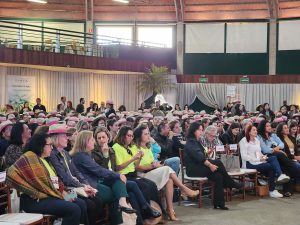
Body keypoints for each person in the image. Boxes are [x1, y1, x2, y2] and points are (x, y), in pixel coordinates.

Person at [73, 130, 160, 225]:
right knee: (120, 192)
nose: (96, 141)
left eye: (103, 137)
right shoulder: (83, 156)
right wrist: (117, 173)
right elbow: (100, 170)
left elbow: (107, 169)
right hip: (93, 184)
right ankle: (131, 213)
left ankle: (141, 215)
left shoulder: (95, 152)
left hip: (103, 179)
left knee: (132, 186)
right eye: (93, 139)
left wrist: (116, 174)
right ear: (85, 142)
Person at [6, 133, 81, 225]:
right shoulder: (30, 156)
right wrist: (63, 195)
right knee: (74, 209)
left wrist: (64, 193)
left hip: (48, 195)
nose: (52, 148)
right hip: (34, 200)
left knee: (79, 202)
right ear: (40, 145)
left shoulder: (44, 159)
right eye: (49, 145)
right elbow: (11, 172)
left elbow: (53, 182)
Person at [132, 124, 199, 221]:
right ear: (139, 136)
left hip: (152, 172)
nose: (149, 136)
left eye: (149, 133)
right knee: (167, 169)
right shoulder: (135, 148)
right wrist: (153, 165)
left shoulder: (148, 147)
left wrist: (156, 164)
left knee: (169, 180)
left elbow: (153, 159)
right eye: (146, 134)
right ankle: (183, 188)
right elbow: (137, 167)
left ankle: (170, 209)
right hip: (142, 175)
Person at [48, 124, 103, 225]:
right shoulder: (52, 154)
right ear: (55, 138)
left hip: (75, 187)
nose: (67, 138)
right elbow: (65, 178)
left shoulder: (64, 152)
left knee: (97, 200)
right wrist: (82, 186)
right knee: (86, 204)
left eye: (67, 135)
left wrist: (86, 185)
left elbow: (76, 172)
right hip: (64, 191)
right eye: (64, 136)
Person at [184, 122, 243, 210]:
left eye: (201, 129)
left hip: (199, 166)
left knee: (218, 176)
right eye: (199, 130)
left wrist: (207, 153)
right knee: (218, 162)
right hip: (193, 169)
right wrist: (210, 165)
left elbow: (201, 154)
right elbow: (199, 157)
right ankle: (231, 183)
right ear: (193, 131)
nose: (201, 131)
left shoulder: (195, 141)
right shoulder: (191, 142)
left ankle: (219, 203)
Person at [112, 126, 164, 221]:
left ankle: (157, 211)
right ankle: (147, 212)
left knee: (151, 185)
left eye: (132, 136)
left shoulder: (130, 147)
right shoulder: (116, 147)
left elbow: (136, 165)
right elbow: (118, 167)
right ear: (122, 136)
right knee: (144, 186)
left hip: (133, 174)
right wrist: (133, 158)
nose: (131, 138)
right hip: (124, 175)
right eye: (128, 135)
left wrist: (139, 157)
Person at [239, 125, 289, 198]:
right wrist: (259, 159)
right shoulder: (243, 141)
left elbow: (259, 152)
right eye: (253, 130)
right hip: (249, 163)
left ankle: (279, 176)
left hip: (259, 161)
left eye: (256, 130)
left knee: (273, 158)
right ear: (249, 132)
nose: (256, 131)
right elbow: (244, 156)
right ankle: (272, 190)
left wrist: (263, 156)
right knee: (270, 167)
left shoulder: (257, 140)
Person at [257, 120, 300, 196]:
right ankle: (295, 167)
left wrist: (277, 148)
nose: (269, 127)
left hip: (279, 157)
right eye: (267, 126)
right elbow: (265, 149)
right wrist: (276, 150)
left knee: (286, 169)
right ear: (262, 127)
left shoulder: (273, 135)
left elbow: (282, 144)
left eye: (269, 126)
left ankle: (288, 190)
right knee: (283, 157)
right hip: (268, 156)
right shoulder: (259, 136)